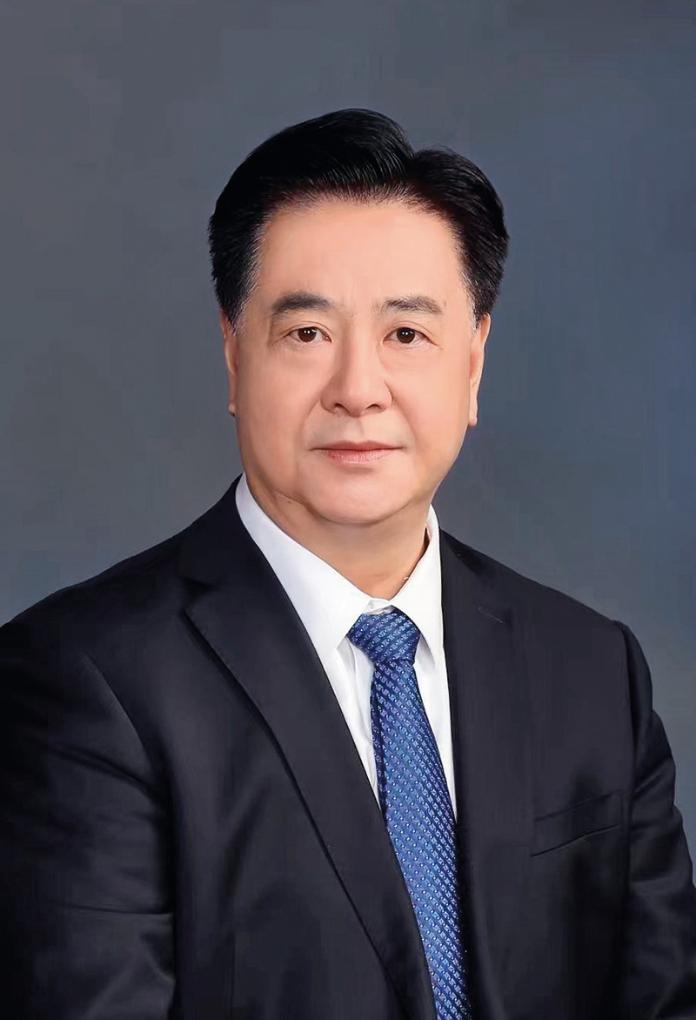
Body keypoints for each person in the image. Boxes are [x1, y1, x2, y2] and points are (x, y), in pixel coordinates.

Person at [1, 107, 695, 1020]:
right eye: (307, 335)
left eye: (407, 335)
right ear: (233, 356)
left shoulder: (593, 670)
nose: (358, 390)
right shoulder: (81, 682)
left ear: (474, 363)